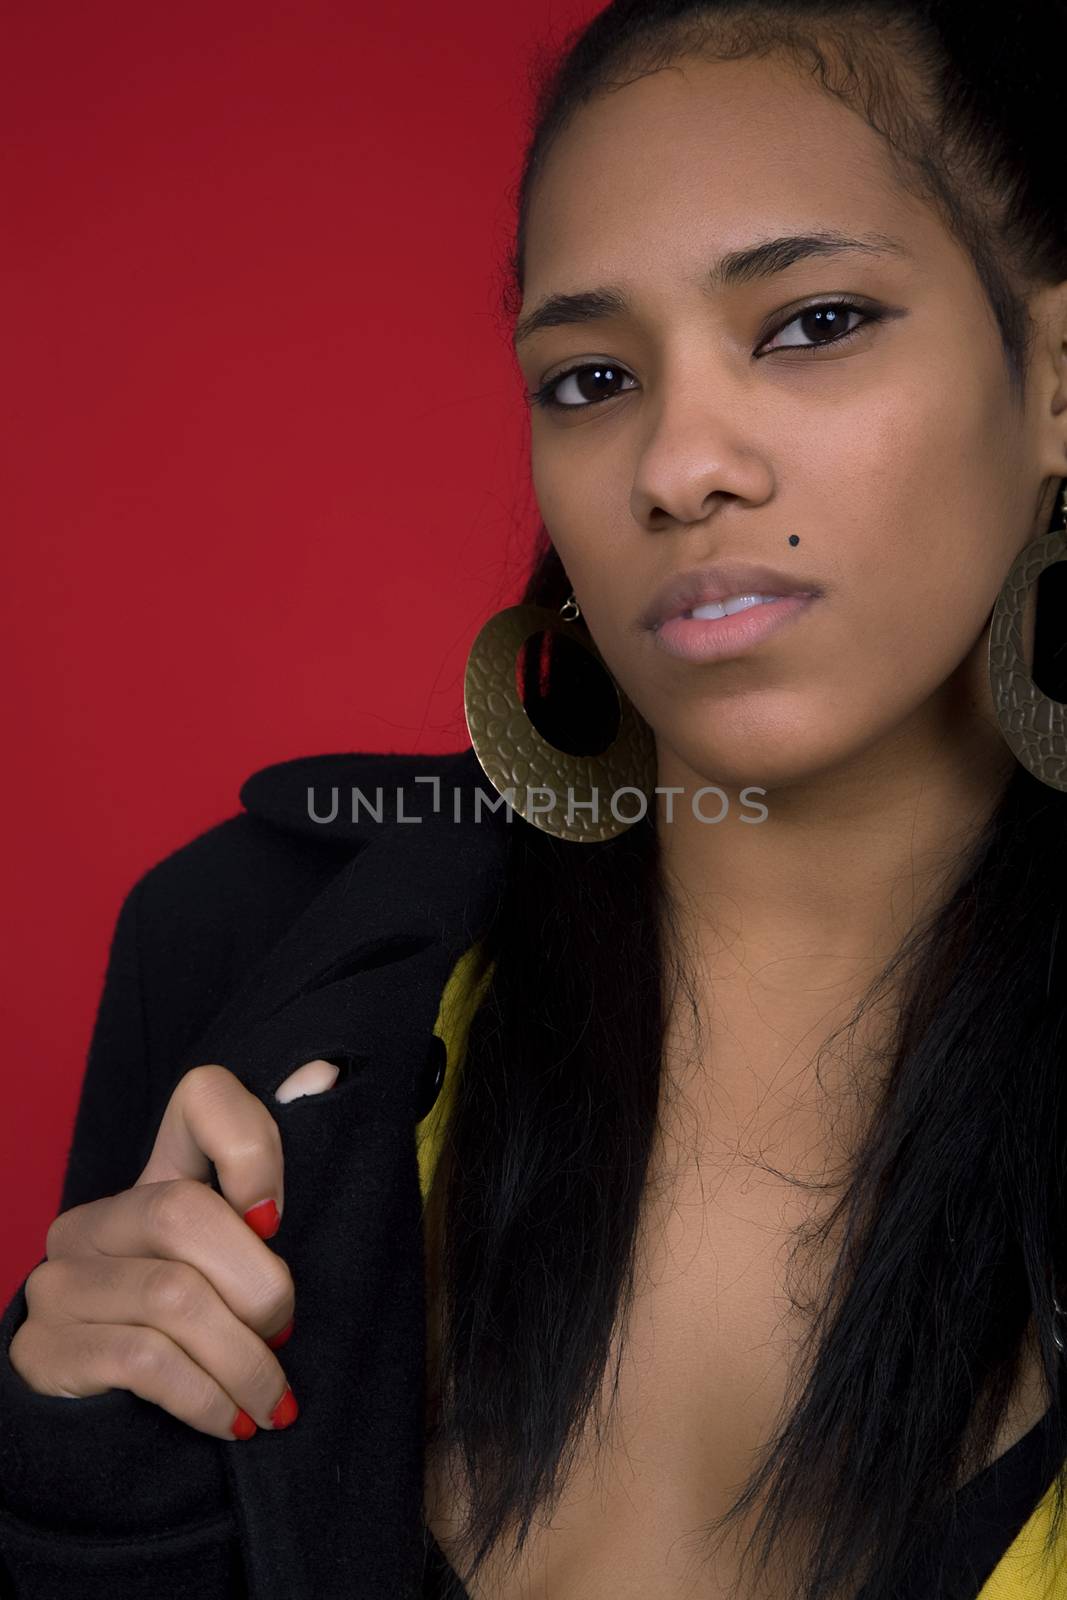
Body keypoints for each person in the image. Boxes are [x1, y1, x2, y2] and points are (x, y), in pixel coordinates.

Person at [4, 1, 1067, 1596]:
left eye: (812, 323)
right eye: (588, 377)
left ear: (1054, 377)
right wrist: (73, 1468)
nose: (677, 463)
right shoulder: (243, 946)